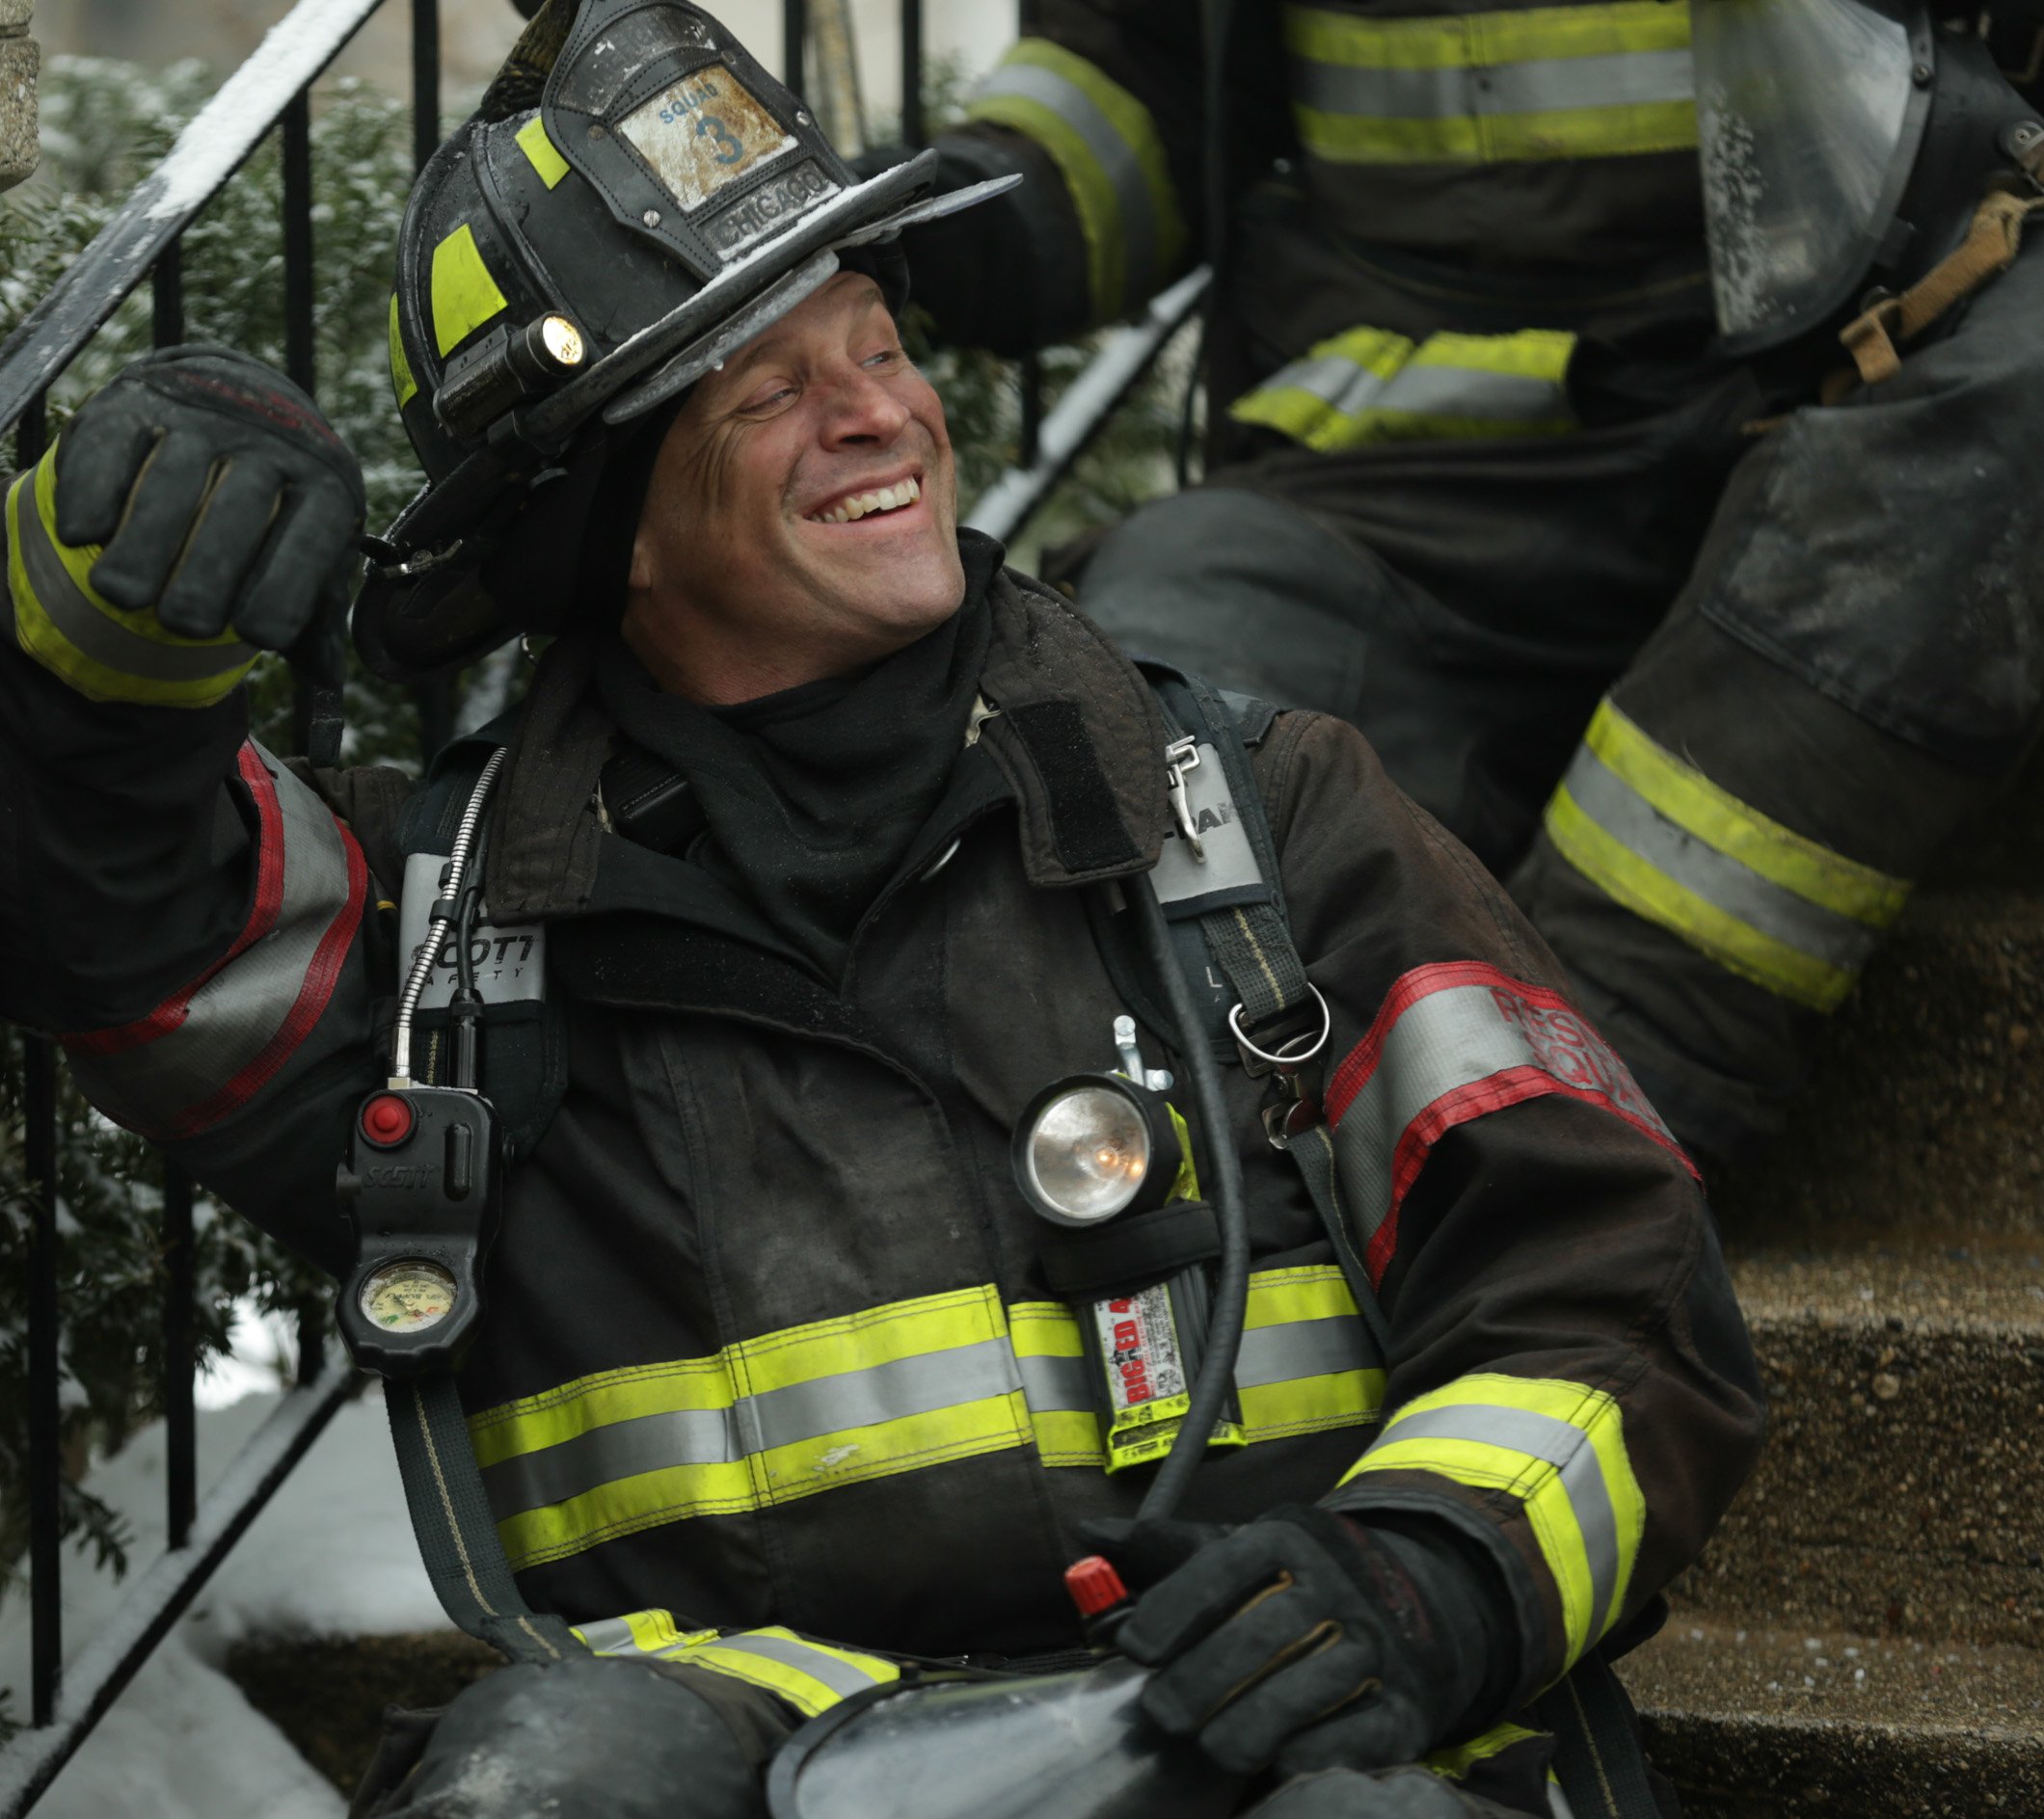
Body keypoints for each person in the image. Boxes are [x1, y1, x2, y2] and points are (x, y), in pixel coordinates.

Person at [0, 3, 1763, 1819]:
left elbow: (1611, 1291)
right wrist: (105, 640)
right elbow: (140, 925)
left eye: (881, 345)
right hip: (759, 1788)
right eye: (767, 385)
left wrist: (1425, 1576)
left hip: (1288, 1742)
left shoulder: (1253, 822)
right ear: (608, 515)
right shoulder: (465, 951)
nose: (883, 414)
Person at [874, 0, 2044, 1168]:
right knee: (1163, 701)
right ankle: (1203, 1175)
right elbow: (1147, 84)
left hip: (1846, 407)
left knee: (1993, 430)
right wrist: (933, 213)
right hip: (1405, 474)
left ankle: (1582, 1133)